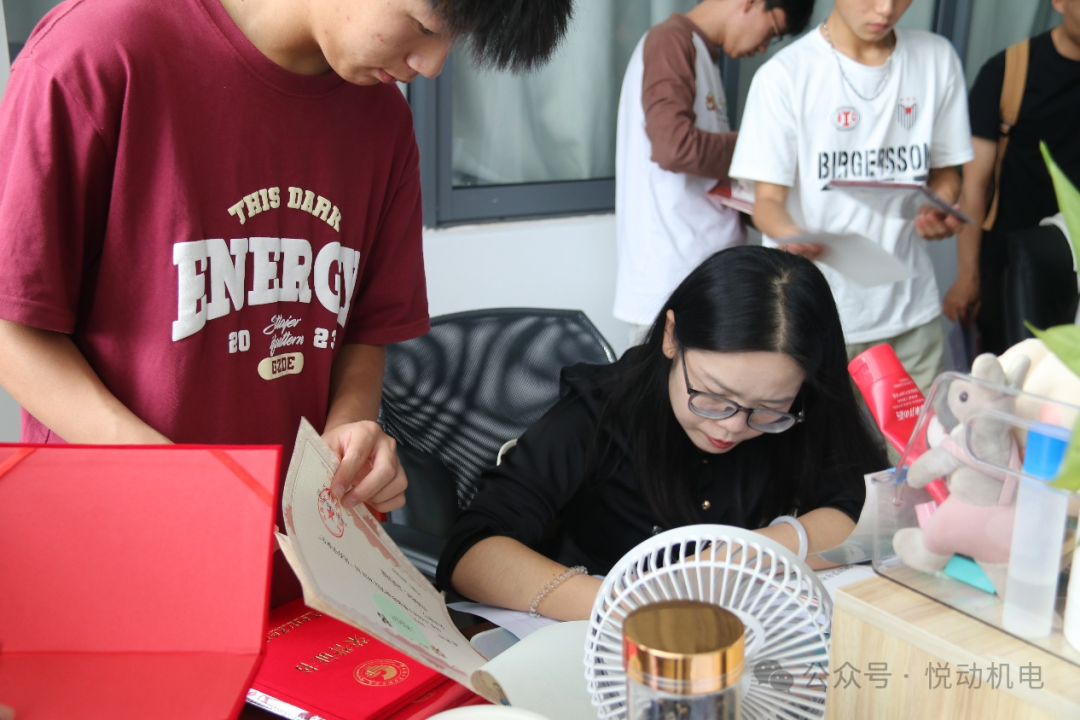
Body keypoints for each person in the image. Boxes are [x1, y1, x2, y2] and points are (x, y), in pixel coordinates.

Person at [0, 0, 573, 605]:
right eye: (424, 28)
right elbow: (13, 327)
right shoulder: (102, 51)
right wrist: (165, 473)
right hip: (109, 558)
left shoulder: (381, 119)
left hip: (290, 575)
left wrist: (349, 427)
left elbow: (363, 328)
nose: (431, 66)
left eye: (455, 40)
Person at [437, 245, 888, 621]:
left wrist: (744, 555)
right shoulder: (600, 412)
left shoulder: (804, 406)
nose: (732, 425)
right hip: (604, 640)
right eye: (714, 396)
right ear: (672, 336)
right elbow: (471, 552)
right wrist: (630, 605)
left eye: (769, 409)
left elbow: (869, 511)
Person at [729, 0, 974, 393]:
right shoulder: (784, 76)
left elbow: (945, 173)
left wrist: (935, 207)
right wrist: (791, 236)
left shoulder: (936, 58)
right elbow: (767, 203)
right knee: (824, 434)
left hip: (911, 315)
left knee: (923, 433)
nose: (886, 9)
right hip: (815, 317)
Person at [613, 0, 815, 344]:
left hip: (705, 277)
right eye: (772, 32)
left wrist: (775, 219)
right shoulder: (670, 42)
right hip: (672, 285)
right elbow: (674, 147)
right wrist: (758, 146)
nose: (763, 47)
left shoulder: (701, 54)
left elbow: (706, 175)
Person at [942, 0, 1080, 356]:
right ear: (1059, 3)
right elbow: (975, 184)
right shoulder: (1009, 70)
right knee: (1012, 376)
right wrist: (968, 275)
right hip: (1009, 269)